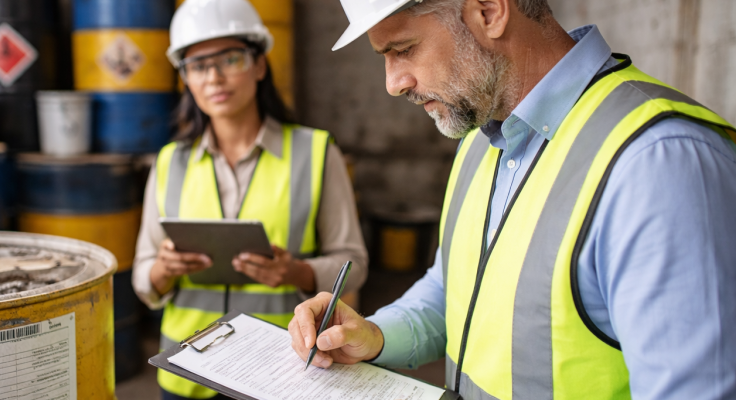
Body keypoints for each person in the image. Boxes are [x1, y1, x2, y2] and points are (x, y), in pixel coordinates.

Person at [289, 0, 736, 398]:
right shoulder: (481, 141)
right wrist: (374, 335)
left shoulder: (661, 163)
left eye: (403, 49)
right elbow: (452, 290)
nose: (393, 83)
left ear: (489, 11)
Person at [133, 0, 368, 399]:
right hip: (187, 369)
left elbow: (353, 265)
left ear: (259, 65)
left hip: (279, 370)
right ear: (185, 78)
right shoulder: (169, 162)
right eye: (198, 65)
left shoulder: (315, 153)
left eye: (230, 59)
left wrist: (296, 273)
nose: (214, 77)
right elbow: (142, 275)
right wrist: (162, 270)